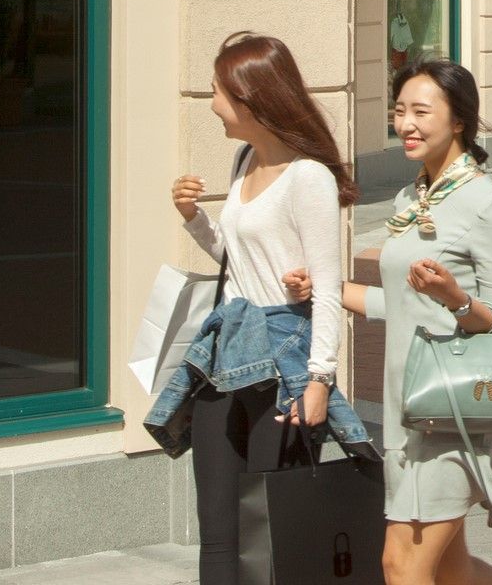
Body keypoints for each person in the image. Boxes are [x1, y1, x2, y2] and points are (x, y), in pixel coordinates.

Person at [291, 59, 492, 585]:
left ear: (459, 120)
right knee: (454, 571)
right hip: (406, 407)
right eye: (399, 112)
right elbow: (400, 303)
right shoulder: (412, 198)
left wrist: (455, 298)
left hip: (452, 413)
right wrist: (325, 289)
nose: (406, 125)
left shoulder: (488, 205)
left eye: (421, 111)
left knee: (402, 564)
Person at [148, 34, 366, 585]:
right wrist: (193, 217)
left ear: (250, 99)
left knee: (272, 528)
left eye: (217, 93)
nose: (213, 104)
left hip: (283, 364)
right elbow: (238, 259)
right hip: (227, 355)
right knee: (218, 526)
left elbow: (326, 288)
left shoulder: (309, 177)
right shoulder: (243, 159)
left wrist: (320, 380)